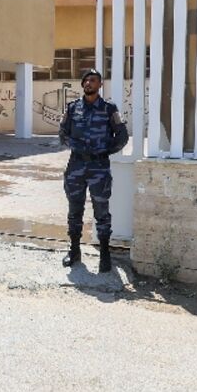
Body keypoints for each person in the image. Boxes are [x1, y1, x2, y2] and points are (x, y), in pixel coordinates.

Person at [58, 68, 129, 273]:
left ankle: (105, 253)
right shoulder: (72, 108)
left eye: (94, 80)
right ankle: (74, 250)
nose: (89, 83)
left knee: (102, 212)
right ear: (83, 85)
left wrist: (106, 150)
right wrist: (75, 145)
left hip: (99, 167)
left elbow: (122, 136)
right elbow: (62, 133)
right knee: (75, 210)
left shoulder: (109, 109)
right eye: (86, 80)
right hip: (76, 166)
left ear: (100, 85)